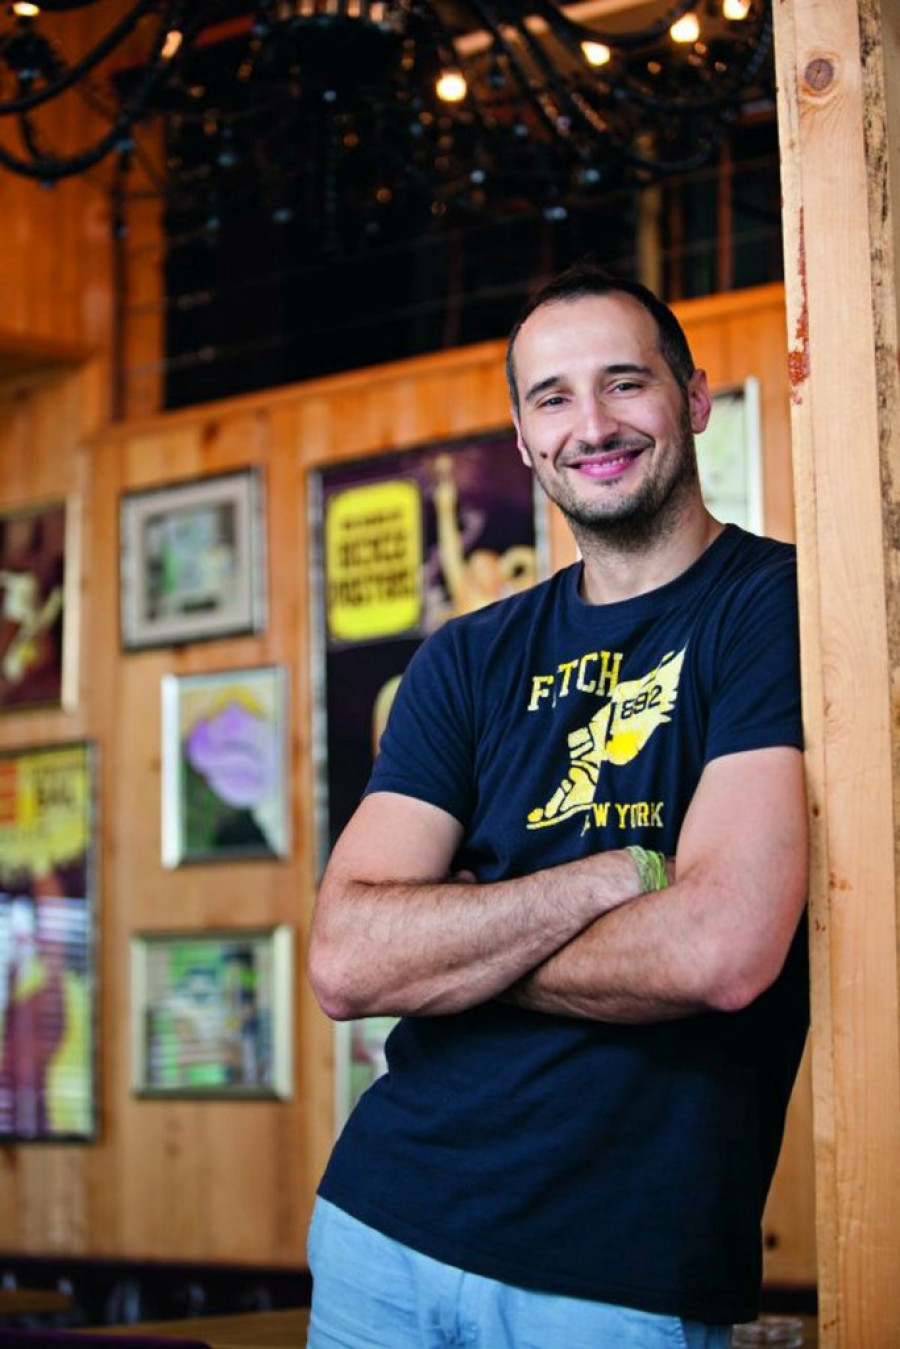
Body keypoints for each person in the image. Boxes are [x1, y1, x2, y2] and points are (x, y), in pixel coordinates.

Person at [306, 260, 809, 1349]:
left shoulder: (780, 608)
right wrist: (610, 879)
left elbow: (722, 949)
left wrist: (457, 944)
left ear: (694, 399)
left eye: (625, 382)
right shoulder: (467, 657)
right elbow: (346, 958)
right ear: (525, 440)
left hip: (616, 1268)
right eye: (553, 398)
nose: (593, 425)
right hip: (380, 1224)